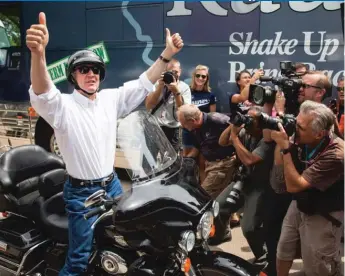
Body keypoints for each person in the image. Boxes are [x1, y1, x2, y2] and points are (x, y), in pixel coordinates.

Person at [26, 12, 184, 276]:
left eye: (96, 69)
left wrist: (166, 54)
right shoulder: (62, 107)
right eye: (84, 69)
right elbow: (42, 90)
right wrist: (38, 54)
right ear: (72, 75)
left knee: (128, 241)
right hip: (81, 195)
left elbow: (145, 81)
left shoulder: (111, 100)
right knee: (78, 261)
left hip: (111, 185)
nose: (91, 74)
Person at [271, 101, 344, 276]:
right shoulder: (303, 139)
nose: (295, 130)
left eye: (300, 128)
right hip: (301, 203)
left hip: (324, 214)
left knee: (318, 265)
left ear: (319, 134)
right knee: (283, 251)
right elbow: (279, 172)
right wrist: (281, 142)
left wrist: (286, 149)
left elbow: (294, 186)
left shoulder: (337, 154)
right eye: (296, 123)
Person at [219, 106, 275, 270]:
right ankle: (223, 233)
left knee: (249, 227)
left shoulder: (267, 139)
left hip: (260, 185)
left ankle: (262, 255)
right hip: (243, 180)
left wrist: (235, 137)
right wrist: (233, 125)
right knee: (219, 207)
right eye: (247, 118)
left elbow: (250, 160)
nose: (248, 123)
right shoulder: (245, 132)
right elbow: (222, 142)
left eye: (252, 120)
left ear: (261, 123)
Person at [177, 104, 237, 244]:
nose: (183, 126)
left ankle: (196, 236)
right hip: (211, 165)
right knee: (217, 201)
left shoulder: (217, 120)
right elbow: (199, 148)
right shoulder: (197, 128)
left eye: (184, 123)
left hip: (223, 164)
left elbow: (239, 128)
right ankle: (223, 232)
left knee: (202, 199)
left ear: (193, 120)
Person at [145, 59, 191, 152]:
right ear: (164, 72)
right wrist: (159, 88)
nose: (173, 75)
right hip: (154, 127)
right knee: (149, 160)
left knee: (172, 161)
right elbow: (148, 106)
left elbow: (184, 112)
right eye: (169, 72)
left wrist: (176, 92)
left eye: (175, 72)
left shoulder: (184, 88)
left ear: (180, 72)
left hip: (173, 129)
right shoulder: (156, 84)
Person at [183, 64, 216, 183]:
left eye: (204, 76)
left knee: (202, 163)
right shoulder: (187, 92)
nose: (201, 78)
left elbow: (212, 116)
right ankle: (186, 186)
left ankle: (203, 190)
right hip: (188, 131)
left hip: (203, 134)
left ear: (207, 79)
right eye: (198, 75)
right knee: (187, 160)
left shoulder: (210, 95)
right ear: (194, 76)